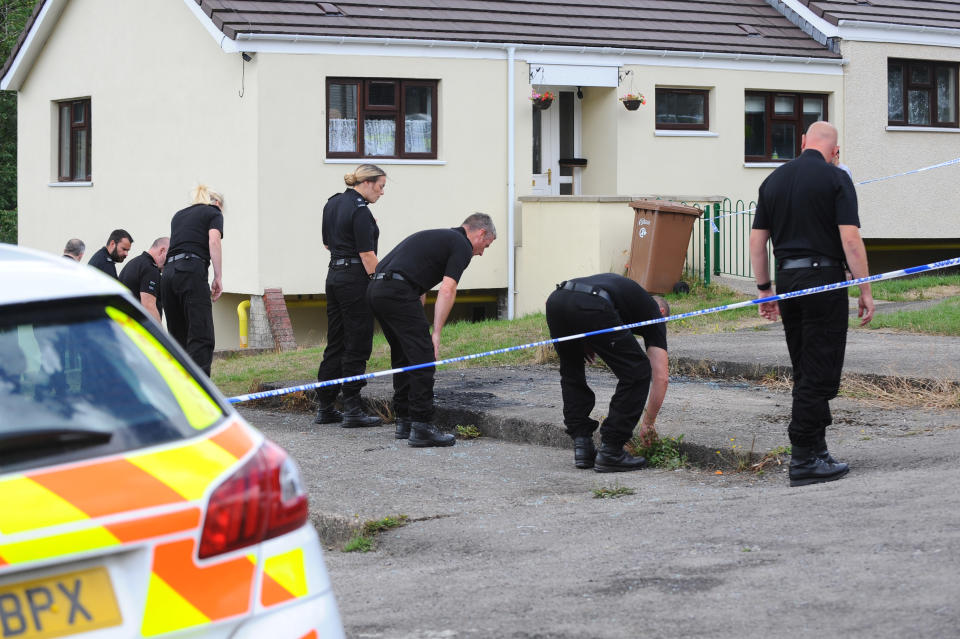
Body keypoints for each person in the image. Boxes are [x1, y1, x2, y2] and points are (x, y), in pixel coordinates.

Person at [750, 121, 874, 488]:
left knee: (805, 367)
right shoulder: (837, 179)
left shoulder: (772, 180)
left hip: (788, 281)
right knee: (820, 370)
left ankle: (817, 450)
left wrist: (763, 290)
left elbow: (758, 243)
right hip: (824, 281)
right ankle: (804, 456)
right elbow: (850, 240)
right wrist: (865, 289)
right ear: (835, 151)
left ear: (803, 142)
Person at [367, 213, 496, 447]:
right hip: (397, 290)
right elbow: (448, 290)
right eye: (485, 245)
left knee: (405, 355)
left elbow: (419, 284)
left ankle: (405, 421)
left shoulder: (440, 238)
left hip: (378, 288)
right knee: (423, 357)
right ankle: (422, 426)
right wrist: (435, 334)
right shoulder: (461, 246)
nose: (481, 252)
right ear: (481, 233)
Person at [545, 273, 669, 472]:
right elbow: (661, 377)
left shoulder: (628, 296)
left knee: (572, 371)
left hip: (557, 300)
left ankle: (582, 446)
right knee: (637, 370)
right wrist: (649, 422)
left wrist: (587, 339)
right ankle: (611, 450)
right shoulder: (654, 313)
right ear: (662, 312)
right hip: (591, 303)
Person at [315, 164, 387, 428]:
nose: (382, 193)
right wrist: (380, 282)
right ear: (366, 183)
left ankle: (325, 406)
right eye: (380, 187)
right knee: (357, 340)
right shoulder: (360, 211)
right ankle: (353, 407)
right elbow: (367, 255)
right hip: (355, 279)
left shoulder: (332, 204)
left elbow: (327, 243)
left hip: (334, 275)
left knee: (336, 340)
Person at [161, 185, 224, 377]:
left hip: (168, 275)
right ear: (217, 203)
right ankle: (200, 394)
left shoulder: (178, 215)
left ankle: (179, 391)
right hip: (191, 271)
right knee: (201, 335)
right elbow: (214, 241)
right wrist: (218, 277)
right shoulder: (213, 212)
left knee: (178, 337)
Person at [119, 236, 169, 323]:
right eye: (170, 256)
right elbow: (149, 306)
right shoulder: (151, 269)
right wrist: (159, 334)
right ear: (162, 250)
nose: (170, 262)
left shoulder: (134, 263)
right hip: (136, 328)